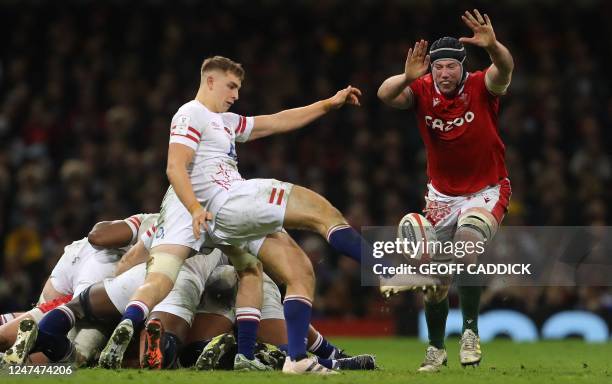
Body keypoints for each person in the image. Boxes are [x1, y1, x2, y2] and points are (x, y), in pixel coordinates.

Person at [99, 55, 370, 374]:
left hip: (214, 212)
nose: (235, 95)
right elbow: (175, 166)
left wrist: (327, 104)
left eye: (238, 88)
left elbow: (277, 121)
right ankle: (389, 268)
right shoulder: (191, 112)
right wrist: (196, 208)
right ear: (209, 81)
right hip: (219, 201)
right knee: (312, 222)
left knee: (285, 270)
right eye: (231, 86)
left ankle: (293, 359)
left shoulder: (226, 122)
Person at [378, 9, 513, 372]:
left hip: (486, 190)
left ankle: (469, 332)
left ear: (462, 67)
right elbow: (385, 95)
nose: (444, 73)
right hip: (440, 197)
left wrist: (494, 46)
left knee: (467, 247)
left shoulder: (482, 86)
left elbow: (506, 69)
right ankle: (436, 350)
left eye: (451, 67)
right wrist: (406, 76)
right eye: (438, 67)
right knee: (434, 279)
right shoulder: (421, 90)